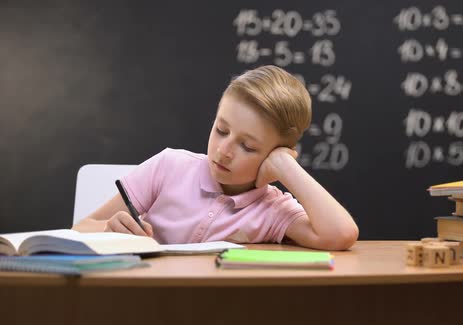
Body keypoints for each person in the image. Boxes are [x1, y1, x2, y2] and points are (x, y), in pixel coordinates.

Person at [73, 65, 358, 250]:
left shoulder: (271, 210)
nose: (224, 150)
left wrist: (286, 167)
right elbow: (80, 228)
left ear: (275, 154)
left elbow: (341, 234)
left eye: (248, 147)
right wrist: (108, 230)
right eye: (221, 130)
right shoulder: (169, 167)